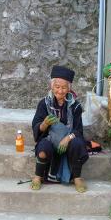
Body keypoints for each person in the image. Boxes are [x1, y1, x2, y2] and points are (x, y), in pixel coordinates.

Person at [31, 65, 89, 193]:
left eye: (64, 87)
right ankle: (38, 176)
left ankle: (77, 177)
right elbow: (37, 126)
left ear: (69, 88)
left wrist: (67, 138)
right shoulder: (44, 103)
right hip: (50, 138)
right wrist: (44, 124)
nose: (60, 91)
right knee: (43, 148)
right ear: (52, 87)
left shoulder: (75, 106)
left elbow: (78, 130)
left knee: (78, 143)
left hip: (68, 140)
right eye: (57, 87)